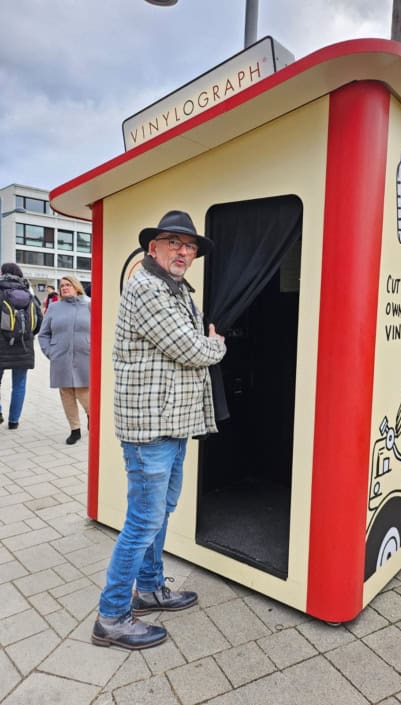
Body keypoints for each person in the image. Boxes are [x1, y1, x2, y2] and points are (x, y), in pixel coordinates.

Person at [92, 210, 226, 650]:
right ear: (153, 248)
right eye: (174, 243)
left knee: (161, 510)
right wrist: (217, 344)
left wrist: (203, 344)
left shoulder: (177, 290)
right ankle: (111, 616)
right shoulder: (148, 288)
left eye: (189, 246)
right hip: (150, 428)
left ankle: (149, 588)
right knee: (143, 520)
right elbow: (190, 348)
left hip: (172, 421)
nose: (183, 252)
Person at [39, 275, 90, 445]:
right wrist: (50, 352)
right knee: (67, 394)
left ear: (77, 287)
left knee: (84, 393)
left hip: (85, 358)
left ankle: (92, 416)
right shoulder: (54, 308)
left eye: (68, 285)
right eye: (62, 286)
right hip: (60, 358)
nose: (64, 288)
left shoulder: (90, 304)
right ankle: (75, 430)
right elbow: (43, 334)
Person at [0, 263, 43, 429]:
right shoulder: (28, 293)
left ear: (3, 273)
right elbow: (39, 320)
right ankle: (14, 421)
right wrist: (29, 336)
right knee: (19, 385)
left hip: (2, 344)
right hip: (24, 346)